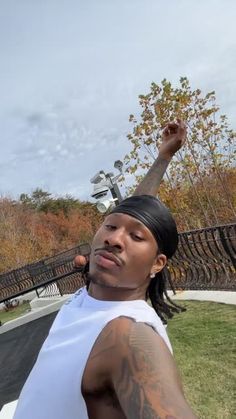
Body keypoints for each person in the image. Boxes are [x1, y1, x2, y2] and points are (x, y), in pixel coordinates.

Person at [14, 120, 197, 418]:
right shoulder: (89, 297)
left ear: (157, 263)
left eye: (136, 237)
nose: (114, 238)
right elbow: (134, 212)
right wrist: (163, 158)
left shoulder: (127, 336)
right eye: (110, 227)